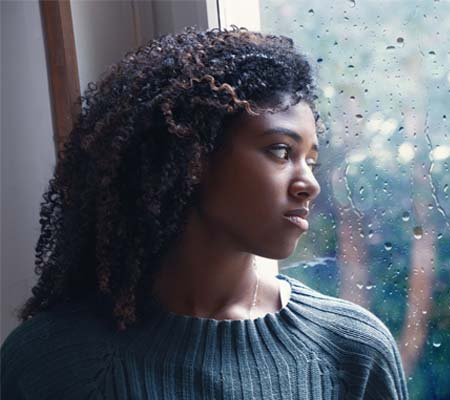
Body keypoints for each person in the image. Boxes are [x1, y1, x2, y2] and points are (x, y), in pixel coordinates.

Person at [0, 26, 408, 399]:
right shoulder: (53, 363)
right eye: (281, 151)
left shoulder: (353, 352)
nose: (309, 184)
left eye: (311, 161)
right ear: (192, 158)